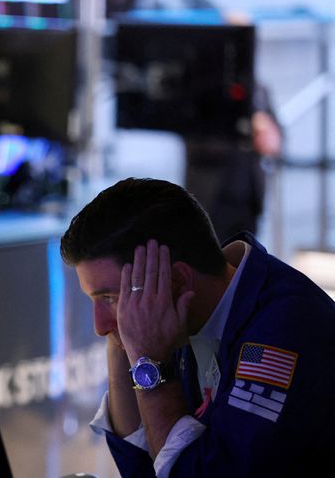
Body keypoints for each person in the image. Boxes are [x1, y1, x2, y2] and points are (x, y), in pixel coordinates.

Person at [60, 177, 335, 477]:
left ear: (176, 282)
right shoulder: (195, 311)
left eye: (110, 298)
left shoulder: (281, 330)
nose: (98, 326)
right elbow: (141, 468)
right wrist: (122, 341)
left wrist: (150, 364)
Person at [183, 84, 283, 241]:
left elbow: (278, 135)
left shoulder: (258, 89)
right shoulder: (202, 86)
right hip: (212, 198)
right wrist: (246, 130)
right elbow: (195, 138)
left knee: (246, 257)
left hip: (249, 198)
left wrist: (271, 136)